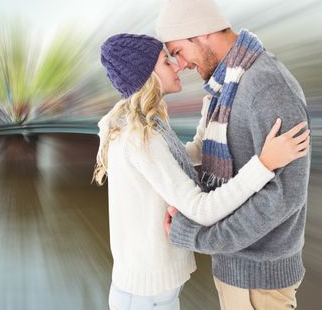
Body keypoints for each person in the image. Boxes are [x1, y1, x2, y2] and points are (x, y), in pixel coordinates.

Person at [93, 33, 310, 310]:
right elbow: (201, 208)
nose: (178, 65)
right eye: (166, 61)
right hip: (145, 295)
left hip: (147, 289)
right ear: (147, 75)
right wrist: (264, 164)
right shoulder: (143, 139)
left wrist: (212, 112)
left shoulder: (137, 126)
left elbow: (183, 157)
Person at [156, 0, 312, 310]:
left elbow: (284, 195)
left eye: (179, 51)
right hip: (243, 273)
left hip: (259, 282)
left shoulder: (266, 88)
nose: (181, 65)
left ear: (201, 32)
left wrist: (198, 236)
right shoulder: (228, 85)